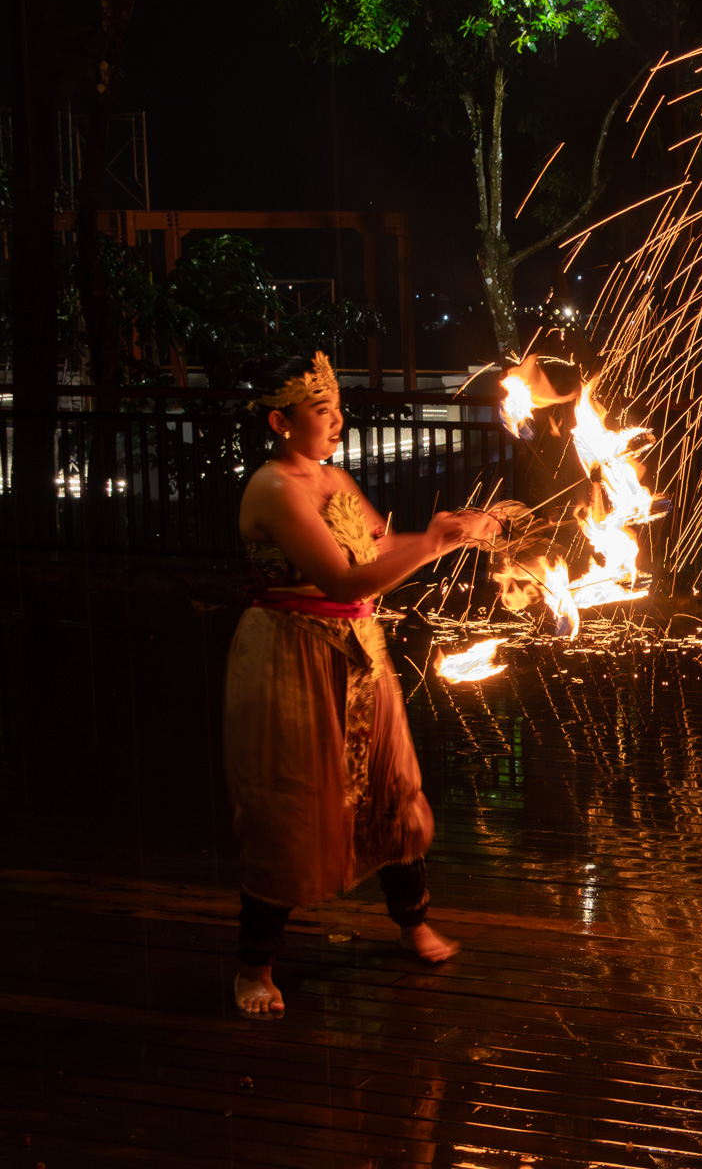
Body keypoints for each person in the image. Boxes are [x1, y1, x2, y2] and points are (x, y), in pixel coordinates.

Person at [226, 351, 491, 1015]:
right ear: (280, 422)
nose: (338, 420)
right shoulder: (275, 488)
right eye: (322, 410)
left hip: (357, 649)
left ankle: (412, 921)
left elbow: (378, 549)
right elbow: (344, 581)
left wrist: (448, 535)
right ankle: (255, 966)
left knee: (389, 783)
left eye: (338, 407)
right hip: (291, 652)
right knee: (292, 801)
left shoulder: (333, 478)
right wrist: (433, 545)